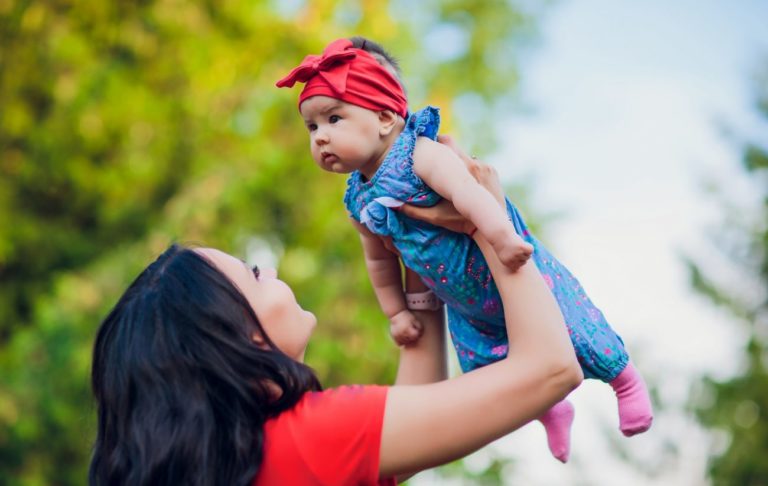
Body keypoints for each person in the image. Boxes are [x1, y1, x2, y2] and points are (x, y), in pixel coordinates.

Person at [88, 147, 583, 485]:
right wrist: (488, 222)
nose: (274, 267)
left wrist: (419, 252)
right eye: (256, 273)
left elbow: (417, 410)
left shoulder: (255, 459)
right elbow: (550, 369)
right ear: (240, 338)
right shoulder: (303, 438)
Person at [275, 36, 653, 462]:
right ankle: (548, 409)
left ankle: (625, 380)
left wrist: (502, 237)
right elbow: (379, 259)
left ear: (383, 117)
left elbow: (470, 192)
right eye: (312, 127)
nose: (321, 137)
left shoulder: (419, 154)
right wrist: (397, 312)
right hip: (459, 297)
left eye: (333, 119)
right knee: (484, 363)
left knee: (574, 327)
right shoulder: (357, 200)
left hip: (498, 261)